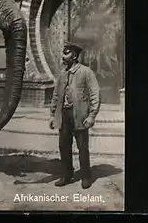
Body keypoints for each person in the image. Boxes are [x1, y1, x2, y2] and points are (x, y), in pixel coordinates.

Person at [49, 42, 101, 189]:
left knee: (82, 147)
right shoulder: (62, 73)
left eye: (66, 54)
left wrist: (92, 115)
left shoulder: (86, 72)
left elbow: (95, 93)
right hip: (64, 115)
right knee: (64, 146)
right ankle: (66, 175)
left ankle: (86, 177)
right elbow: (56, 95)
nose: (63, 57)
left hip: (80, 115)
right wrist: (53, 115)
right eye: (63, 53)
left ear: (75, 56)